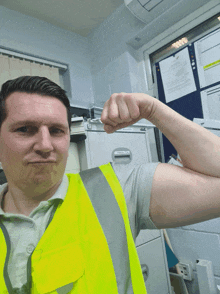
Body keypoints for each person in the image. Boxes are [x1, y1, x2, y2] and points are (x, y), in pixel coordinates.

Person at [0, 76, 220, 294]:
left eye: (57, 131)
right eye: (25, 129)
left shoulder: (115, 190)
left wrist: (153, 110)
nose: (45, 145)